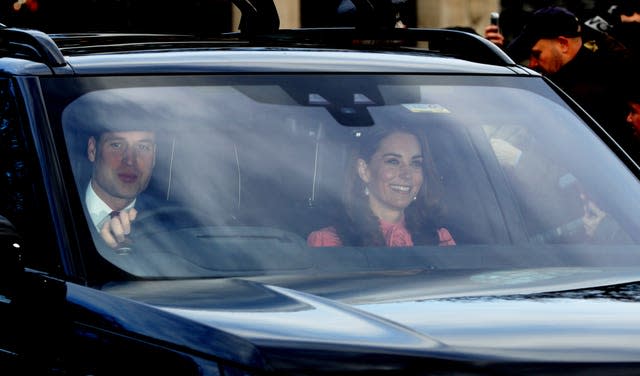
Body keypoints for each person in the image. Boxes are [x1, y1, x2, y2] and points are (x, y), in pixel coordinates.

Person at [307, 126, 455, 247]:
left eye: (415, 164)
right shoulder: (328, 242)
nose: (407, 174)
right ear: (364, 170)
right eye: (393, 162)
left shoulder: (440, 239)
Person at [506, 6, 632, 145]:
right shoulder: (577, 71)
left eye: (537, 54)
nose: (532, 64)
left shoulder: (602, 80)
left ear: (563, 44)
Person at [85, 129, 156, 249]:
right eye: (116, 145)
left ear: (154, 156)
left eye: (143, 147)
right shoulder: (52, 210)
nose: (130, 160)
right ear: (92, 150)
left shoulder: (174, 225)